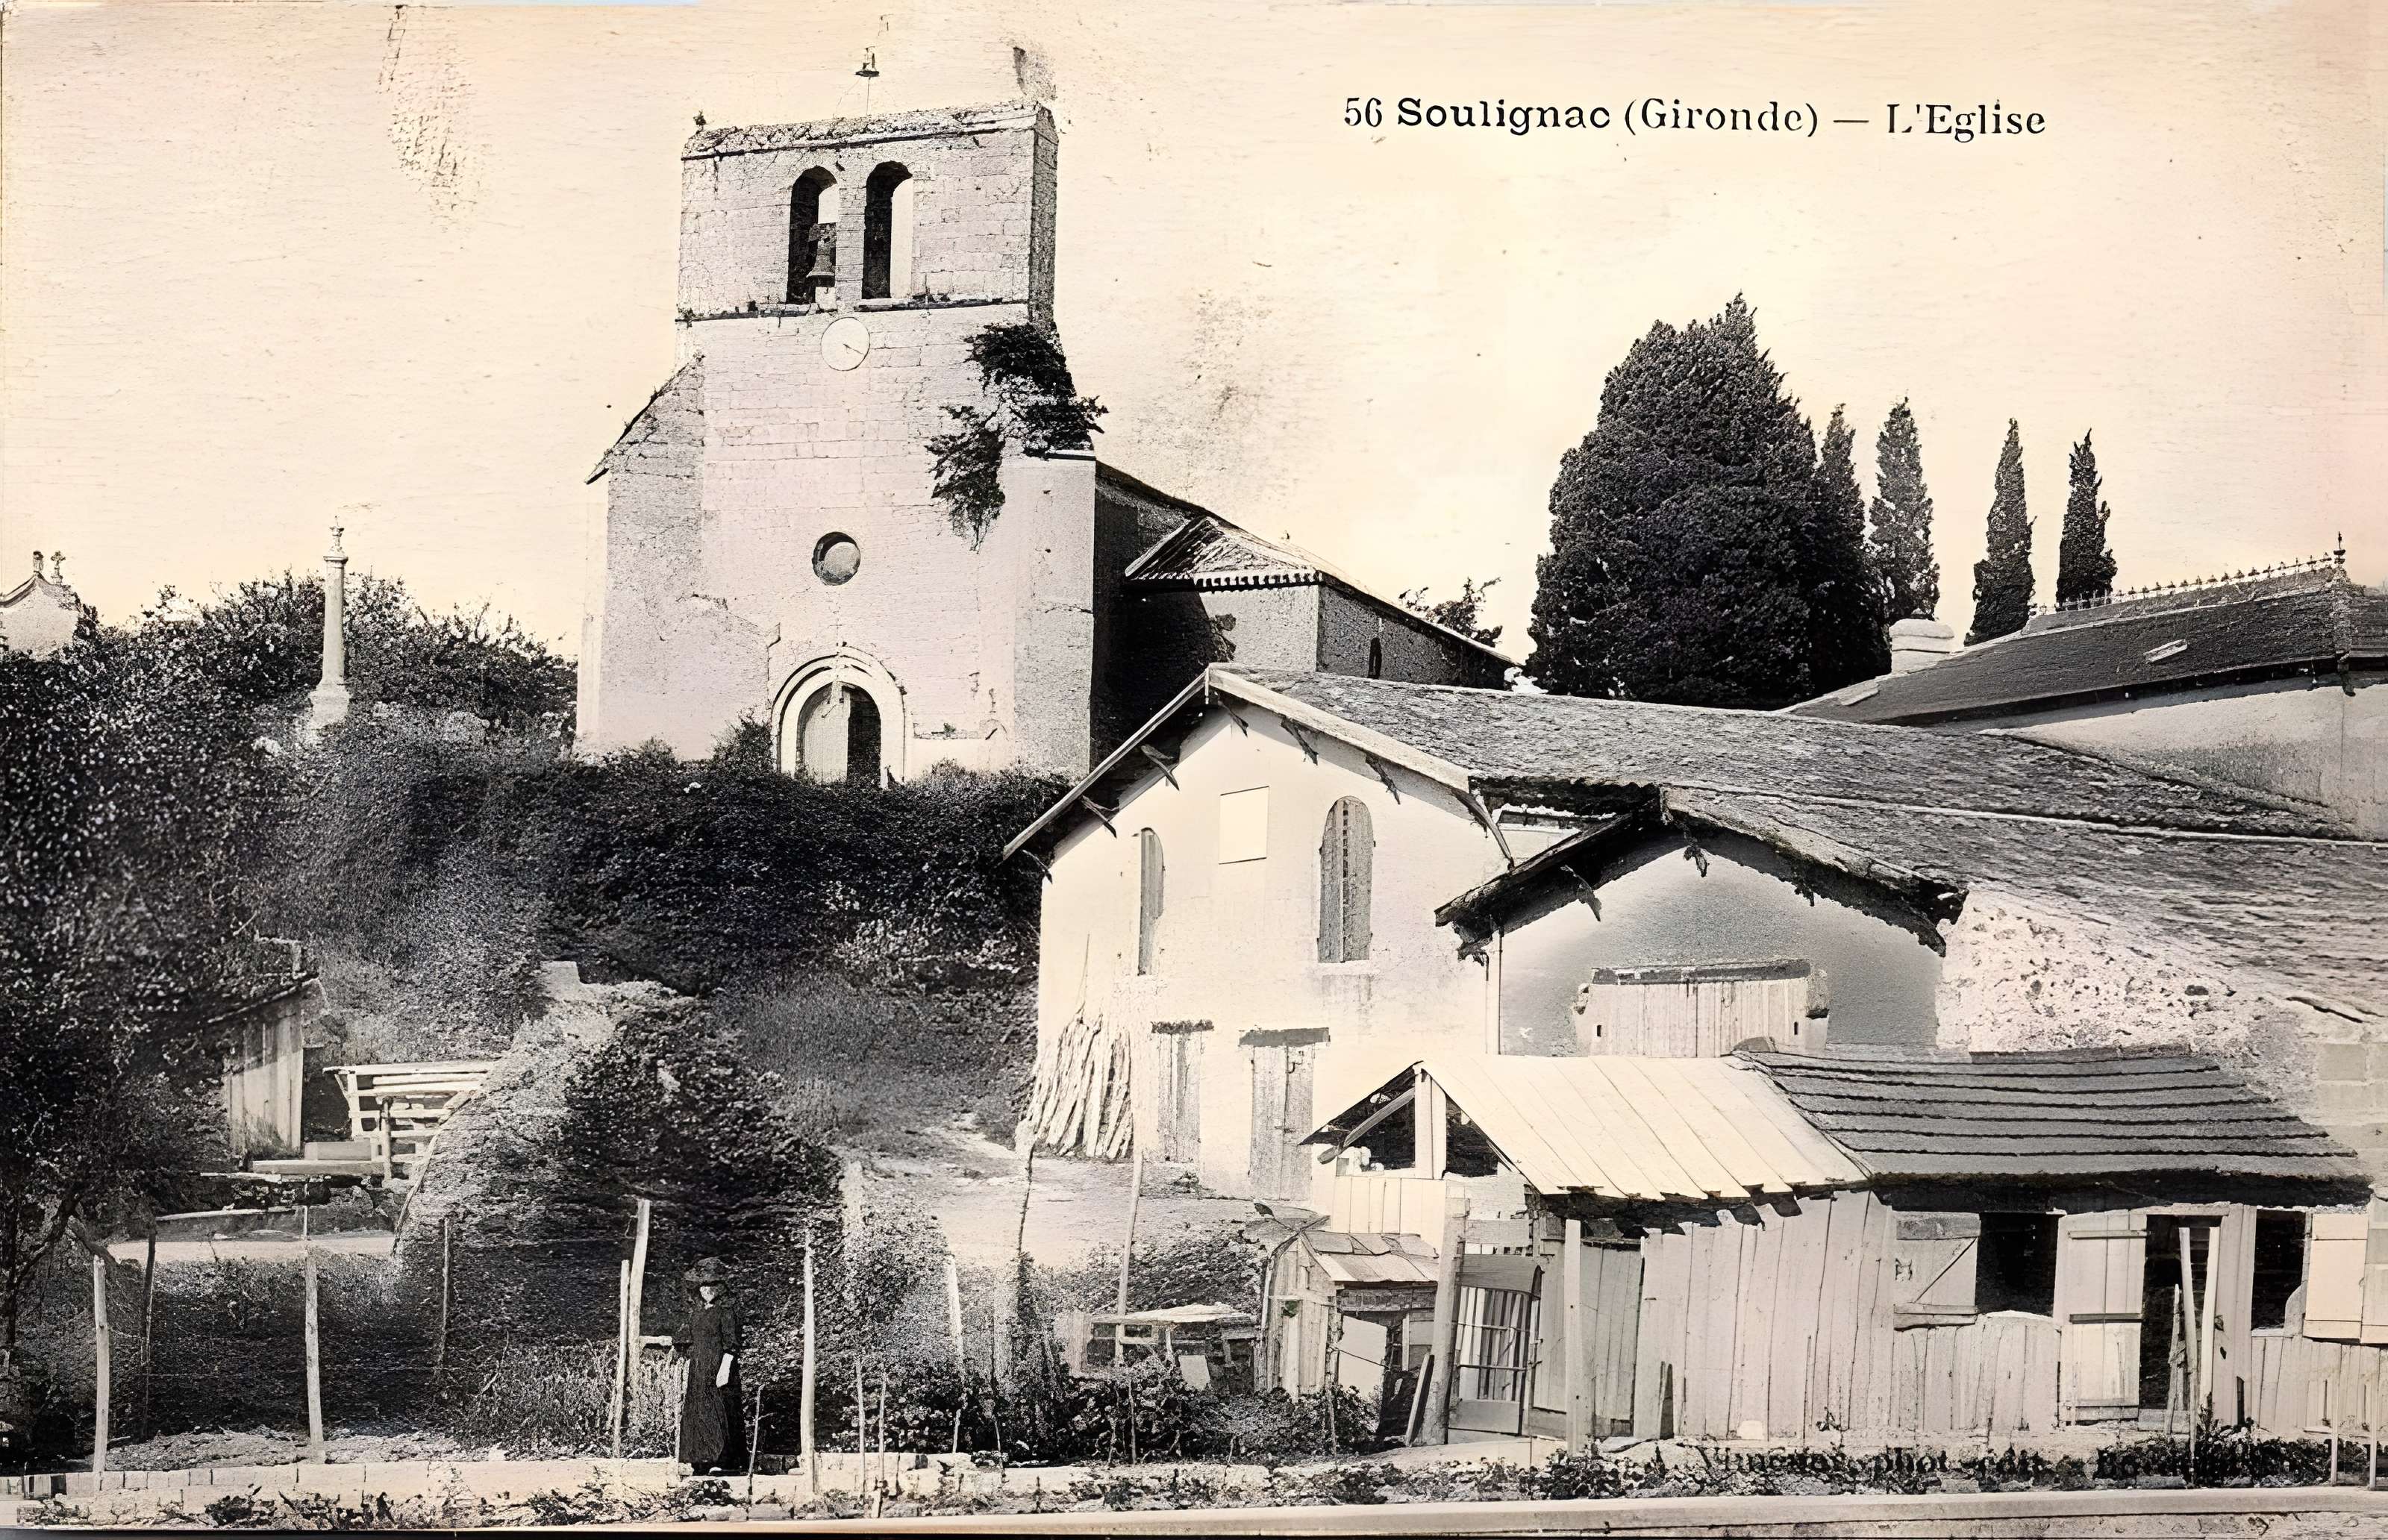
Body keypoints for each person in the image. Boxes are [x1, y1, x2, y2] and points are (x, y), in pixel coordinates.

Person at [673, 1256, 743, 1474]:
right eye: (703, 1286)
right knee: (698, 1411)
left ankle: (723, 1461)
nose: (707, 1290)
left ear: (720, 1288)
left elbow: (731, 1345)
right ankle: (700, 1460)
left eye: (712, 1286)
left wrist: (725, 1369)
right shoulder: (697, 1314)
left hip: (719, 1366)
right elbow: (687, 1340)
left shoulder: (726, 1313)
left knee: (719, 1411)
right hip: (699, 1369)